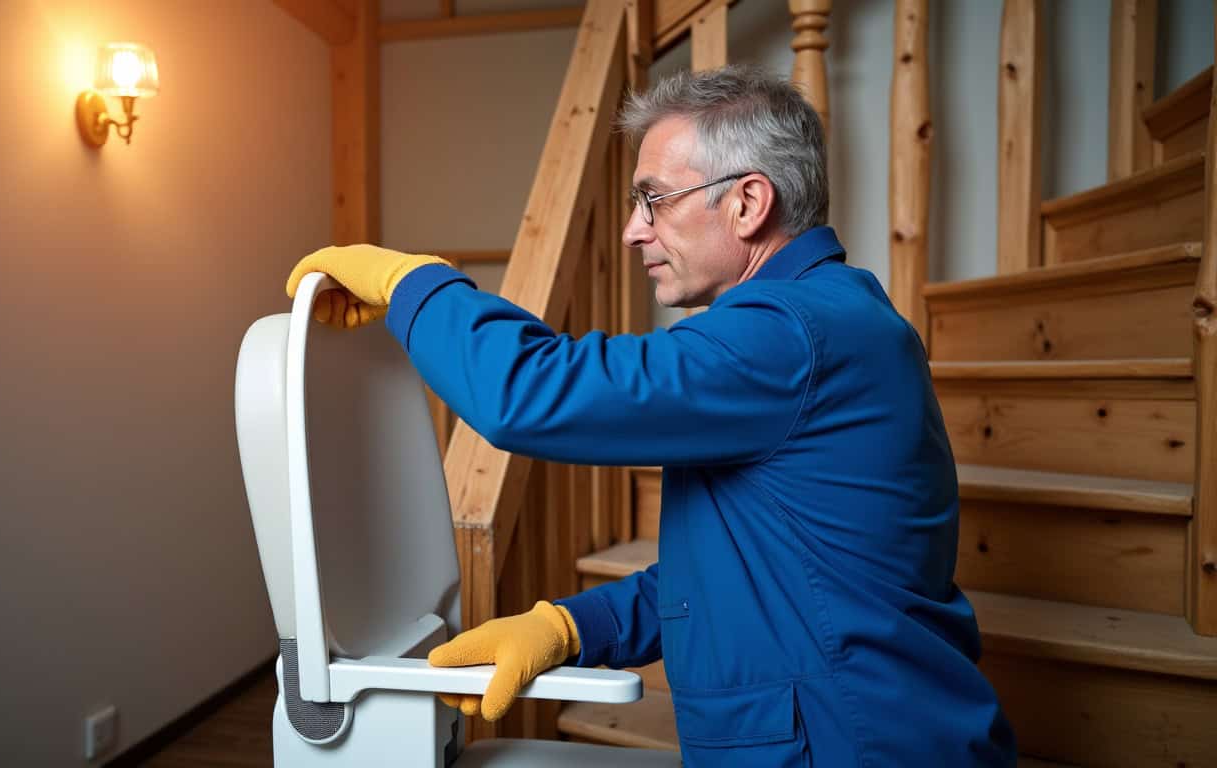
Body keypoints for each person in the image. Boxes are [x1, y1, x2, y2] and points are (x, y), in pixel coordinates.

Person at [285, 65, 1016, 767]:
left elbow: (532, 394)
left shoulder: (790, 331)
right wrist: (568, 626)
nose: (636, 230)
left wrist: (417, 284)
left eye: (654, 199)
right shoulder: (825, 319)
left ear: (747, 203)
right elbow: (742, 573)